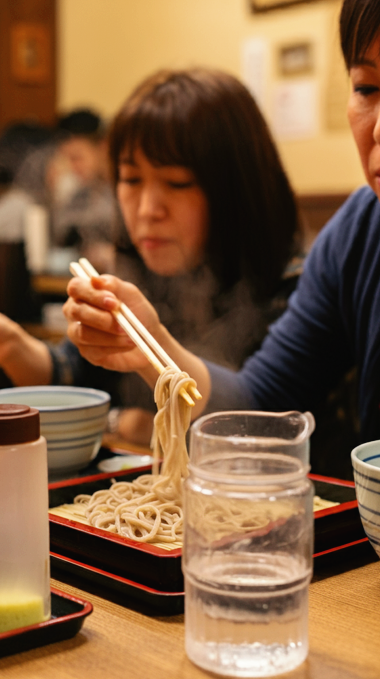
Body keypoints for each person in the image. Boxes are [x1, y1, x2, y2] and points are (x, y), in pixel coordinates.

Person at [61, 0, 380, 479]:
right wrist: (154, 349)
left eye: (176, 182)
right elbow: (263, 405)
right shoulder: (358, 234)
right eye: (367, 88)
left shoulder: (288, 272)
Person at [0, 68, 301, 442]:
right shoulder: (148, 270)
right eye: (130, 179)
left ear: (235, 188)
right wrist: (12, 346)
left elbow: (269, 417)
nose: (146, 210)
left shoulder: (296, 284)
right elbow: (77, 373)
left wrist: (138, 415)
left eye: (176, 183)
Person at [52, 108, 120, 272]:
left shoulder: (125, 188)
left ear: (103, 147)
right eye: (67, 159)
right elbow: (60, 238)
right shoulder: (81, 193)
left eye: (77, 158)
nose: (73, 167)